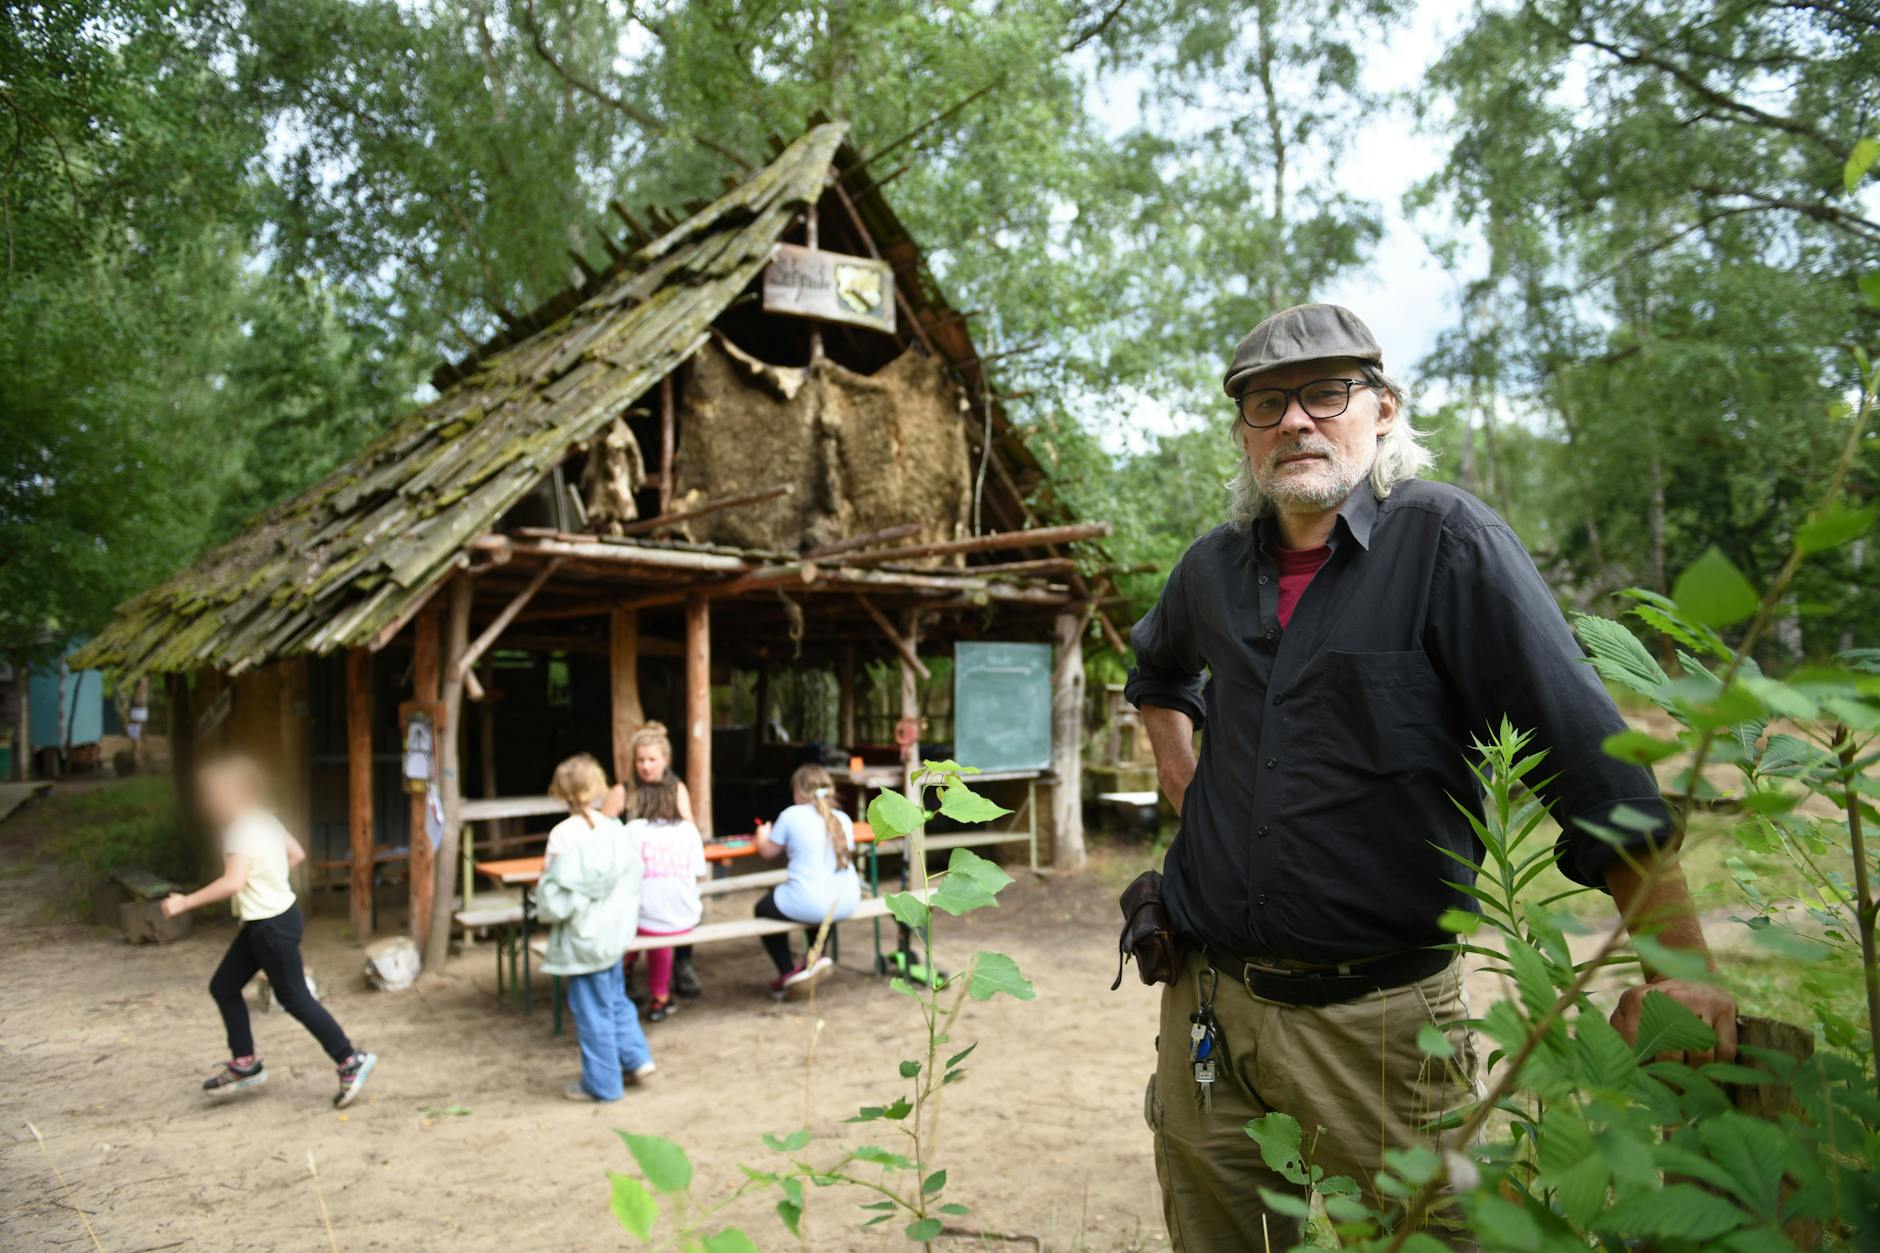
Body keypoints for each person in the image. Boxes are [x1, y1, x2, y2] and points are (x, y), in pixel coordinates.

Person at [1126, 303, 1736, 1249]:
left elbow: (1586, 760)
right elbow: (1159, 669)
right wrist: (1183, 775)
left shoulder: (1448, 543)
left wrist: (1680, 967)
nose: (1295, 420)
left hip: (1377, 1029)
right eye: (1266, 402)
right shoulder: (1210, 569)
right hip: (1205, 1005)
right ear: (1243, 432)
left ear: (1383, 407)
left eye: (1326, 393)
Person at [160, 755, 377, 1108]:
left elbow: (233, 882)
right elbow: (297, 854)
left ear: (237, 794)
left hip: (270, 926)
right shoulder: (266, 821)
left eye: (214, 794)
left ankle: (350, 1059)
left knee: (295, 999)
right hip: (275, 917)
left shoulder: (239, 830)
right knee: (225, 985)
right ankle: (245, 1064)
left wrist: (185, 903)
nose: (208, 802)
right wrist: (268, 882)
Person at [537, 753, 655, 1101]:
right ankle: (635, 1057)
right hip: (613, 933)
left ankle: (602, 1084)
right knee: (615, 997)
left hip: (582, 939)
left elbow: (553, 893)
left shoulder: (562, 836)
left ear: (560, 793)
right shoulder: (612, 829)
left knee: (591, 1012)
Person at [608, 722, 704, 1001]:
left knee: (672, 900)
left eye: (652, 760)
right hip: (628, 881)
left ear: (665, 760)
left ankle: (682, 964)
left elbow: (688, 829)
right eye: (640, 760)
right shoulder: (623, 792)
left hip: (661, 873)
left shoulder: (676, 789)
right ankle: (625, 972)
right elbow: (600, 834)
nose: (646, 767)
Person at [753, 763, 859, 997]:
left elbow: (768, 852)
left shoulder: (791, 815)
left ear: (798, 791)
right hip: (846, 901)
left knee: (762, 908)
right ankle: (813, 957)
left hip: (815, 903)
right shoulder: (843, 818)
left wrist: (762, 836)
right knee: (817, 902)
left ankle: (788, 973)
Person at [625, 767, 707, 1021]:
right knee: (657, 918)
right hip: (686, 918)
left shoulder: (634, 830)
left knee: (640, 918)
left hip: (648, 920)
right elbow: (699, 873)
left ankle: (628, 978)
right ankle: (659, 996)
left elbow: (621, 873)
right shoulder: (689, 831)